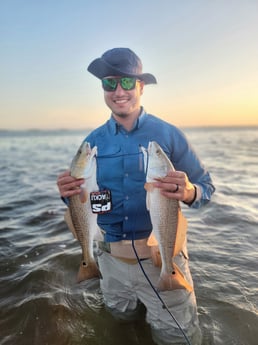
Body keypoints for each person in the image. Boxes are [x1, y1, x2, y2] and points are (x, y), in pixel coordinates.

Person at [57, 47, 215, 345]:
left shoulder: (168, 134)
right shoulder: (92, 142)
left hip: (162, 260)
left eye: (127, 82)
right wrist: (67, 195)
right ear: (102, 88)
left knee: (177, 339)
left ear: (141, 86)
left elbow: (207, 188)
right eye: (109, 82)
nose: (119, 91)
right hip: (110, 265)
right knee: (119, 327)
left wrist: (190, 191)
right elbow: (83, 202)